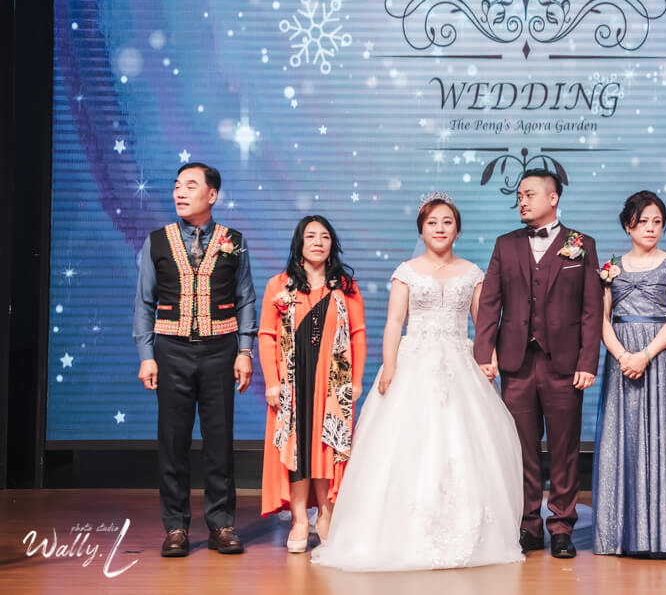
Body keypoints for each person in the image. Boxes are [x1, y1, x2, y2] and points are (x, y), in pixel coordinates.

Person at [312, 193, 524, 571]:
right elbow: (395, 323)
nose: (440, 228)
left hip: (460, 363)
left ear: (457, 230)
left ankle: (466, 529)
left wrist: (488, 358)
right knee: (407, 442)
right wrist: (390, 366)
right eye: (432, 223)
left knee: (465, 443)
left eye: (447, 222)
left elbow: (483, 324)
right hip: (414, 363)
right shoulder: (406, 272)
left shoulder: (472, 273)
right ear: (422, 230)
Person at [474, 169, 603, 559]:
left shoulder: (581, 244)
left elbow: (591, 309)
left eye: (529, 194)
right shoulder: (506, 244)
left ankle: (561, 526)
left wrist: (588, 360)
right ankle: (528, 524)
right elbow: (490, 304)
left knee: (564, 450)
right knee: (521, 448)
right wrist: (484, 354)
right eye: (519, 196)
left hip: (564, 363)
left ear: (553, 198)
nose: (522, 202)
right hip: (516, 363)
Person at [133, 162, 257, 557]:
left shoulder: (234, 241)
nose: (180, 193)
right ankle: (175, 527)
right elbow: (144, 302)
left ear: (212, 194)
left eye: (190, 185)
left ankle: (222, 524)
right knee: (173, 441)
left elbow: (245, 298)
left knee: (220, 440)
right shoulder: (157, 241)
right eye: (176, 186)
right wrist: (147, 355)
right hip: (171, 351)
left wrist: (244, 350)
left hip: (220, 350)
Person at [592, 191, 666, 556]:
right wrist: (623, 356)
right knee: (622, 438)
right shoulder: (611, 267)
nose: (651, 228)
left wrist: (644, 355)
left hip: (662, 358)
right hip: (622, 359)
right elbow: (602, 319)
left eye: (657, 221)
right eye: (643, 221)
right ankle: (621, 535)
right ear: (628, 225)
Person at [257, 215, 366, 552]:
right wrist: (272, 382)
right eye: (311, 236)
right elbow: (266, 336)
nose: (318, 242)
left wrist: (356, 381)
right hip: (292, 383)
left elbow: (358, 335)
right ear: (299, 243)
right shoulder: (279, 285)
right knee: (297, 447)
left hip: (332, 384)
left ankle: (326, 517)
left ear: (332, 244)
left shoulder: (345, 286)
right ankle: (299, 519)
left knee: (327, 447)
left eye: (325, 237)